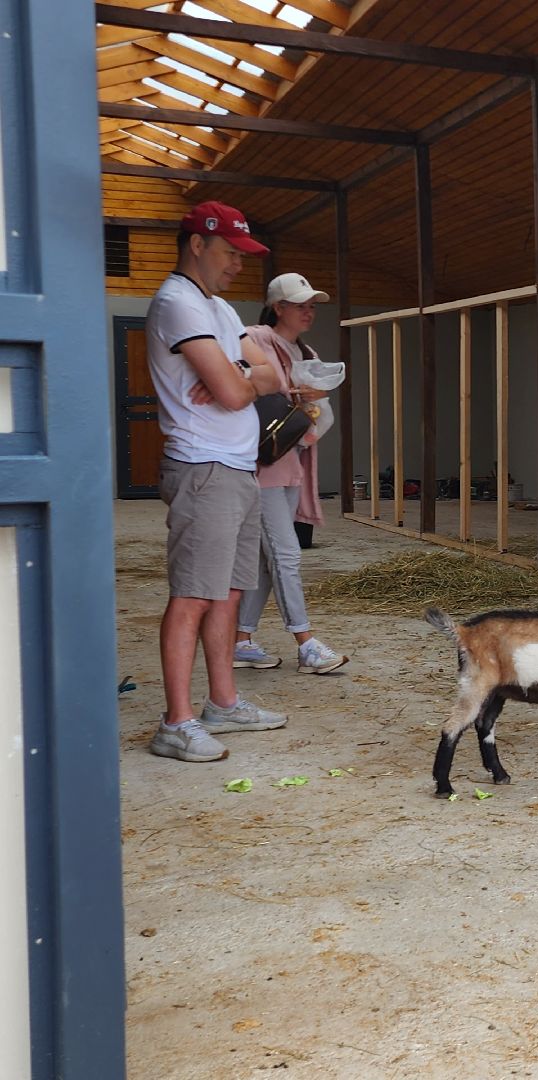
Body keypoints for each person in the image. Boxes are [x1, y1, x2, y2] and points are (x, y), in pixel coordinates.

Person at [145, 201, 289, 763]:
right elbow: (234, 392)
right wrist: (240, 377)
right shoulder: (177, 303)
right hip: (203, 466)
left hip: (236, 465)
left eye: (241, 254)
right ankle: (175, 721)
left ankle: (223, 703)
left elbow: (272, 374)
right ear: (197, 244)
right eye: (229, 252)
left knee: (228, 591)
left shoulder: (221, 310)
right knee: (192, 596)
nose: (236, 265)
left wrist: (240, 374)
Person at [233, 273, 348, 675]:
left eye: (312, 305)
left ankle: (241, 640)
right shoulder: (255, 338)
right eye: (301, 304)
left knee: (270, 559)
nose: (309, 311)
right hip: (262, 464)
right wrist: (291, 395)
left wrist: (311, 404)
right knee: (285, 552)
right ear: (277, 306)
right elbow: (243, 382)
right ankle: (305, 643)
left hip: (289, 460)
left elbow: (313, 406)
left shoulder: (304, 349)